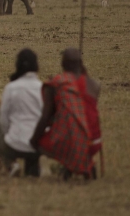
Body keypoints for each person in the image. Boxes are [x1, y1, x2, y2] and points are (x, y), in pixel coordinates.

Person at [30, 48, 97, 179]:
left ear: (63, 64)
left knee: (41, 142)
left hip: (66, 142)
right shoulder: (93, 85)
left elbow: (46, 117)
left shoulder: (56, 83)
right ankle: (75, 166)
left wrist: (33, 140)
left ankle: (37, 170)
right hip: (93, 141)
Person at [0, 49, 43, 177]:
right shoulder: (42, 88)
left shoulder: (11, 88)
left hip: (14, 142)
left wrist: (9, 133)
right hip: (38, 144)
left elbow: (3, 120)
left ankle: (11, 165)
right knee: (33, 154)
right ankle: (33, 170)